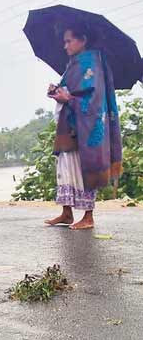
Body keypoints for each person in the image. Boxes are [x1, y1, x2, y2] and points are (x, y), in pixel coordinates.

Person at [45, 23, 123, 230]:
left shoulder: (92, 62)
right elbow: (70, 90)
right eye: (64, 41)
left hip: (86, 127)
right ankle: (67, 212)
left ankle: (88, 217)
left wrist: (68, 97)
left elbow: (94, 99)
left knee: (82, 168)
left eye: (69, 40)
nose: (65, 46)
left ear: (83, 40)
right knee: (66, 166)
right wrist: (57, 91)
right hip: (69, 124)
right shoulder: (74, 63)